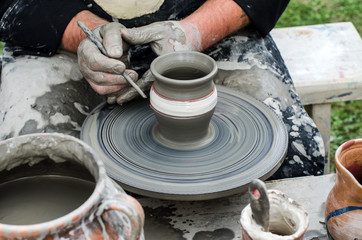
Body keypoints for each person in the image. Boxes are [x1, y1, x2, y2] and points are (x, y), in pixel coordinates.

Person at [0, 0, 325, 179]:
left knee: (292, 162)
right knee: (32, 171)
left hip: (205, 19)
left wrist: (193, 33)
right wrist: (86, 34)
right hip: (62, 29)